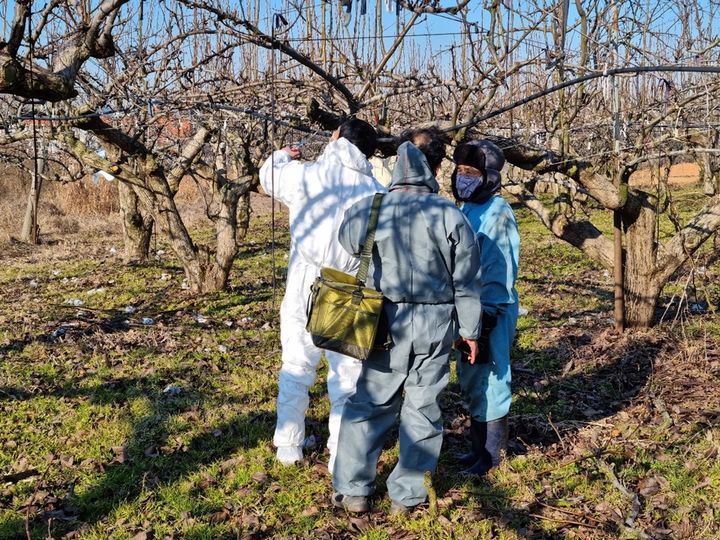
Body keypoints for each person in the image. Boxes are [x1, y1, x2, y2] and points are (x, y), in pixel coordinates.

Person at [331, 141, 483, 514]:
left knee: (369, 401)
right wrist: (471, 331)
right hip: (436, 322)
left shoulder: (371, 208)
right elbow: (467, 281)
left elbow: (347, 241)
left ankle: (354, 491)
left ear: (395, 173)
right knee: (423, 405)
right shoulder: (450, 214)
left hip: (384, 317)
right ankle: (407, 495)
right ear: (430, 175)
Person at [259, 118, 386, 473]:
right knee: (347, 376)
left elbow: (268, 176)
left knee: (297, 365)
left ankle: (288, 446)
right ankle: (338, 455)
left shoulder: (307, 176)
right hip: (351, 289)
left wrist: (282, 155)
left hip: (305, 280)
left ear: (336, 138)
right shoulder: (377, 192)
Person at [450, 140, 520, 476]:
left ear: (488, 176)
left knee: (492, 378)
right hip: (469, 311)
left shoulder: (498, 212)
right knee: (473, 379)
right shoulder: (467, 209)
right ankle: (477, 448)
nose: (463, 178)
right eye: (460, 171)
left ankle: (492, 456)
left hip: (491, 309)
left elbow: (499, 267)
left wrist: (488, 316)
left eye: (471, 173)